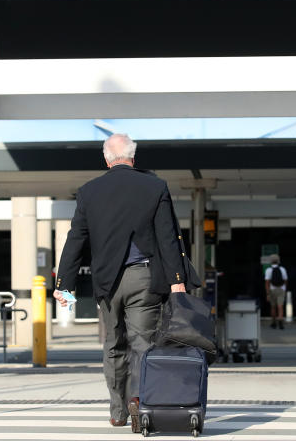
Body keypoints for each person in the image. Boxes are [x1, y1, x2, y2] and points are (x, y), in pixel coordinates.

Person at [53, 134, 188, 432]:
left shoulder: (89, 191)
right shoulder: (155, 186)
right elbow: (168, 237)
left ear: (106, 159)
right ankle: (139, 399)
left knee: (114, 344)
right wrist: (177, 281)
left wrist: (65, 283)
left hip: (106, 280)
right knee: (143, 343)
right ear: (133, 157)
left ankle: (117, 411)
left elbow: (76, 239)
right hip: (144, 278)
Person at [264, 254, 288, 329]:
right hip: (281, 289)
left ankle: (274, 322)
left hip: (272, 290)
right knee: (280, 306)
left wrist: (267, 293)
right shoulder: (282, 269)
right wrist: (284, 288)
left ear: (271, 261)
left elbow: (267, 282)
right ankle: (280, 322)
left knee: (273, 307)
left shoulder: (268, 270)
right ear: (278, 261)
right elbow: (286, 280)